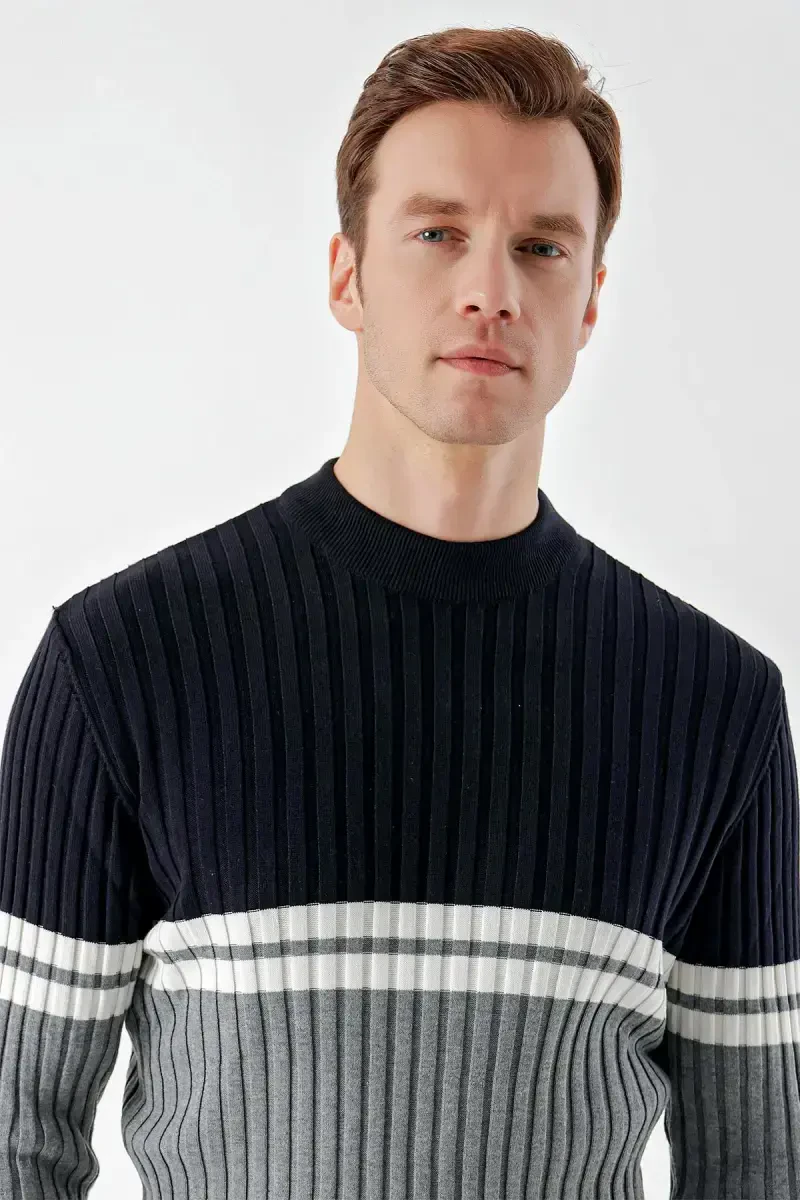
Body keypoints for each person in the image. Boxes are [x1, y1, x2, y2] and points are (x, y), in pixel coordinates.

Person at [1, 24, 797, 1200]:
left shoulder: (712, 704)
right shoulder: (120, 663)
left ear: (589, 301)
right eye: (437, 233)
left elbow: (757, 1169)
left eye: (540, 247)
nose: (490, 292)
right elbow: (16, 1140)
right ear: (346, 275)